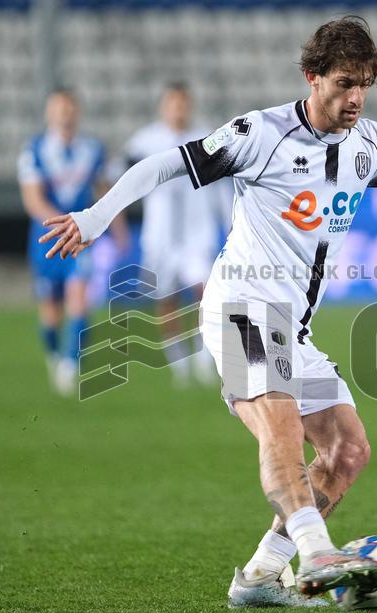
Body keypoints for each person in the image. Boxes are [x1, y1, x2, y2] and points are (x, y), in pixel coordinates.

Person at [40, 17, 377, 606]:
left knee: (348, 451)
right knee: (280, 428)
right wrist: (94, 218)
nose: (355, 97)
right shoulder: (261, 133)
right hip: (241, 308)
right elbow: (165, 163)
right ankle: (318, 552)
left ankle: (259, 575)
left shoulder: (373, 145)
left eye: (366, 84)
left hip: (292, 329)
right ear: (313, 77)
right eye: (344, 83)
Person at [117, 82, 228, 387]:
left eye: (183, 103)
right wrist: (119, 221)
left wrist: (229, 220)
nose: (178, 110)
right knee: (165, 300)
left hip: (198, 233)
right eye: (173, 104)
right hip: (160, 236)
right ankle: (179, 364)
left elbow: (221, 186)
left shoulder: (208, 139)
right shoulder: (144, 142)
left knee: (207, 294)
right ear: (163, 107)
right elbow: (123, 180)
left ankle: (205, 358)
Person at [18, 88, 128, 396]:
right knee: (50, 313)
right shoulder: (35, 151)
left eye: (70, 108)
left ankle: (71, 363)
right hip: (46, 240)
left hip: (79, 239)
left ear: (77, 112)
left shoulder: (93, 150)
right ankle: (55, 353)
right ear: (48, 113)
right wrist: (63, 223)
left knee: (79, 299)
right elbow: (32, 200)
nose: (65, 114)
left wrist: (117, 228)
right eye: (59, 108)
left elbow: (106, 193)